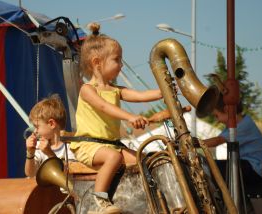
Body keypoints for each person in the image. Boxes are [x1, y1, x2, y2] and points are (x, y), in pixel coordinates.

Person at [69, 23, 163, 214]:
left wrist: (164, 91)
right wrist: (130, 116)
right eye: (117, 60)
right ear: (97, 62)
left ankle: (133, 199)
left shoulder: (115, 90)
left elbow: (140, 95)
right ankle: (100, 200)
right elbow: (105, 107)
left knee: (142, 160)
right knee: (113, 157)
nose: (121, 65)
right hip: (89, 146)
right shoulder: (88, 90)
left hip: (111, 144)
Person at [203, 99, 262, 185]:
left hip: (254, 170)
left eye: (216, 115)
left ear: (227, 110)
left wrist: (191, 143)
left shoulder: (244, 125)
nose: (217, 120)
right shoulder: (237, 124)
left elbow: (217, 140)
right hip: (248, 167)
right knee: (211, 165)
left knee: (208, 166)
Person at [24, 94, 75, 178]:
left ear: (51, 124)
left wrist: (50, 153)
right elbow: (30, 174)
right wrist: (30, 153)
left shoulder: (70, 147)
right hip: (45, 191)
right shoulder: (38, 145)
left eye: (37, 126)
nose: (35, 131)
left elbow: (67, 175)